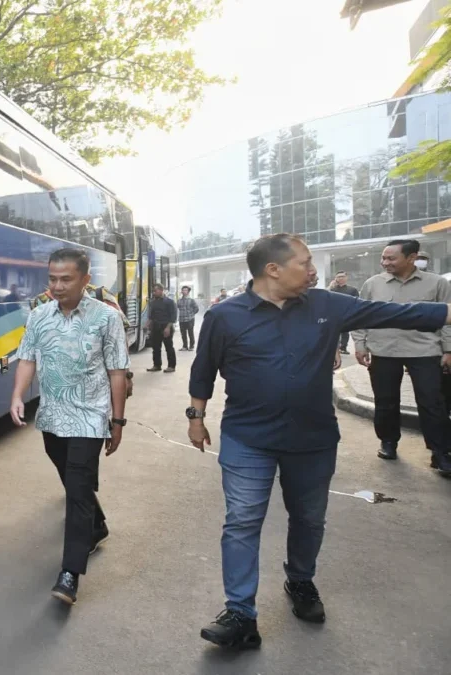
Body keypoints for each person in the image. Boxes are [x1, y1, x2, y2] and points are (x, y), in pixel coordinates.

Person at [188, 233, 451, 650]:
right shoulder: (225, 316)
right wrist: (196, 417)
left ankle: (300, 581)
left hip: (312, 439)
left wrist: (447, 313)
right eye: (305, 262)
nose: (313, 270)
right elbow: (203, 369)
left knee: (309, 519)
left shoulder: (328, 304)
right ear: (273, 270)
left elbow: (394, 312)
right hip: (247, 437)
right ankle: (240, 613)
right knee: (241, 522)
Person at [9, 247, 129, 606]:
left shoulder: (106, 318)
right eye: (52, 279)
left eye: (66, 279)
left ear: (85, 280)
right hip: (52, 415)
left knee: (76, 487)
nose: (57, 287)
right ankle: (98, 525)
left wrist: (117, 420)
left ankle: (70, 572)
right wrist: (18, 396)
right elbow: (27, 358)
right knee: (70, 478)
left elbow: (117, 371)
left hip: (90, 416)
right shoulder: (39, 316)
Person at [351, 240, 451, 468]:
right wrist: (360, 343)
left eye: (391, 258)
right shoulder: (373, 284)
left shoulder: (436, 284)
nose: (385, 263)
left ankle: (441, 452)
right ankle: (388, 442)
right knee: (385, 402)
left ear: (412, 258)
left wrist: (448, 349)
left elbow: (448, 319)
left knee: (433, 403)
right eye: (383, 258)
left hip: (425, 352)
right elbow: (361, 315)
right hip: (384, 351)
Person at [146, 283, 177, 373]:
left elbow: (173, 317)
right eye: (153, 291)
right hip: (155, 327)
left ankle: (171, 366)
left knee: (169, 347)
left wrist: (167, 328)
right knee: (155, 348)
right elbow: (151, 316)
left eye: (155, 291)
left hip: (166, 327)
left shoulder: (169, 302)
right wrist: (147, 325)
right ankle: (157, 365)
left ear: (161, 290)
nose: (154, 293)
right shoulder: (153, 302)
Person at [327, 271, 359, 354]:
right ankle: (334, 349)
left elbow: (357, 302)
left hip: (347, 313)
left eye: (342, 276)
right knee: (334, 332)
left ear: (346, 278)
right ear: (335, 278)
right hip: (334, 314)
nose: (340, 278)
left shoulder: (352, 290)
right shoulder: (332, 290)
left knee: (345, 332)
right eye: (338, 277)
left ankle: (343, 348)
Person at [178, 286, 200, 351]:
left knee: (190, 333)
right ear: (181, 291)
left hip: (190, 319)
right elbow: (177, 309)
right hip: (181, 319)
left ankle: (191, 346)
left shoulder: (191, 300)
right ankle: (185, 346)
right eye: (183, 290)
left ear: (188, 292)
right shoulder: (179, 301)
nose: (184, 291)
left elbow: (196, 308)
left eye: (185, 290)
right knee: (183, 333)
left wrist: (191, 314)